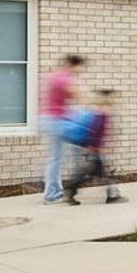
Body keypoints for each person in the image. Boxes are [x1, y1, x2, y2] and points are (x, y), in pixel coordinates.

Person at [65, 89, 124, 205]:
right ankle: (111, 195)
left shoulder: (98, 111)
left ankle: (71, 192)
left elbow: (99, 132)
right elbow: (96, 132)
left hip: (90, 148)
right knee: (95, 172)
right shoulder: (102, 113)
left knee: (95, 172)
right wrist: (96, 147)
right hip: (92, 149)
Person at [40, 54, 85, 204]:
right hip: (56, 122)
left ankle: (55, 193)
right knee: (61, 156)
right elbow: (77, 95)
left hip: (52, 119)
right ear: (72, 65)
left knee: (56, 158)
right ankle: (54, 194)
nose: (78, 73)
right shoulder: (64, 78)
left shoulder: (54, 76)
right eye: (78, 70)